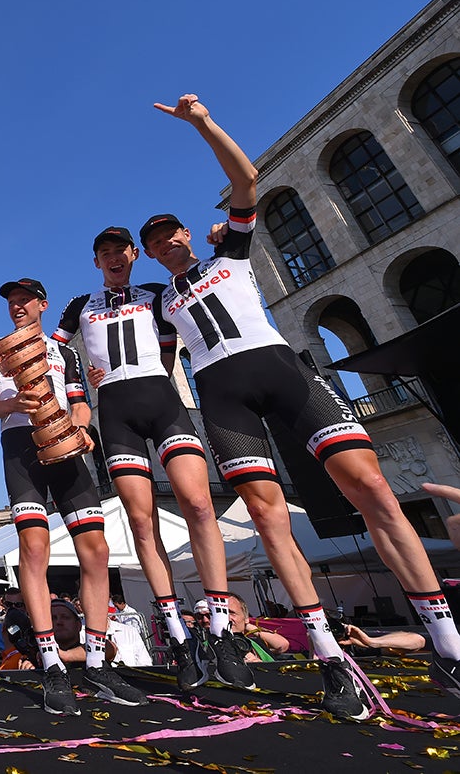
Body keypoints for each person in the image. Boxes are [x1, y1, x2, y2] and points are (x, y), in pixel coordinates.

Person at [141, 93, 460, 719]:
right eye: (155, 240)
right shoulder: (159, 305)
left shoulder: (229, 253)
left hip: (283, 369)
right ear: (151, 253)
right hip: (223, 397)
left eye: (170, 231)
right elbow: (156, 361)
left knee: (374, 490)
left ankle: (447, 641)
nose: (166, 242)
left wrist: (204, 123)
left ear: (185, 233)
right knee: (266, 518)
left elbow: (246, 179)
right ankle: (327, 653)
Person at [57, 225, 250, 694]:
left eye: (119, 250)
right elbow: (53, 349)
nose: (112, 257)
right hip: (116, 415)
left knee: (200, 506)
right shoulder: (80, 305)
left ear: (133, 255)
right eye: (103, 251)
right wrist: (81, 374)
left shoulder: (159, 292)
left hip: (163, 403)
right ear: (96, 261)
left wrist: (223, 245)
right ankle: (181, 637)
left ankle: (222, 631)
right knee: (142, 525)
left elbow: (197, 316)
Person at [0, 277, 145, 711]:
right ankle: (50, 662)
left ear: (42, 305)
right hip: (20, 449)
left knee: (97, 549)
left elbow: (79, 400)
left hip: (65, 448)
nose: (17, 306)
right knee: (34, 549)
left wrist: (84, 428)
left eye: (24, 300)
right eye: (11, 301)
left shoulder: (64, 352)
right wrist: (11, 405)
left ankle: (95, 659)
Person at [227, 593, 289, 663]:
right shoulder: (215, 646)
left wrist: (246, 624)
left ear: (246, 617)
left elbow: (283, 645)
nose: (226, 618)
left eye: (232, 613)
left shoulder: (253, 642)